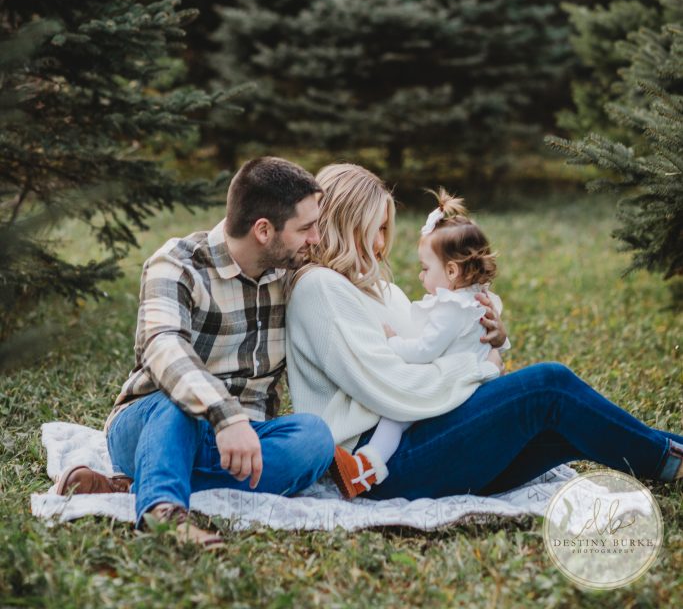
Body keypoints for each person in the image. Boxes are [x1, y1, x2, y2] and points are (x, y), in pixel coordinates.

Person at [286, 163, 683, 502]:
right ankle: (671, 462)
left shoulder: (382, 290)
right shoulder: (319, 288)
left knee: (568, 421)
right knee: (549, 385)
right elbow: (397, 389)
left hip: (428, 437)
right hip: (378, 465)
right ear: (342, 223)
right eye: (373, 228)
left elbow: (435, 357)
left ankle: (672, 453)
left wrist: (481, 337)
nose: (379, 243)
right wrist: (485, 367)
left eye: (385, 229)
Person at [56, 157, 335, 548]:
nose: (316, 239)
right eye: (306, 228)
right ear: (263, 230)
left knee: (314, 438)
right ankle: (164, 514)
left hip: (246, 442)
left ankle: (133, 486)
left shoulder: (292, 272)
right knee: (178, 403)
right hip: (153, 423)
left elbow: (349, 284)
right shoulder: (177, 263)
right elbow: (162, 345)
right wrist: (225, 415)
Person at [329, 187, 511, 498]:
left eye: (426, 269)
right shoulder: (476, 299)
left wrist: (393, 343)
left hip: (450, 388)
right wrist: (499, 345)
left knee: (396, 417)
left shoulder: (450, 308)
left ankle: (367, 466)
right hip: (462, 383)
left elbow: (426, 350)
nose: (420, 276)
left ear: (451, 271)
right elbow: (487, 343)